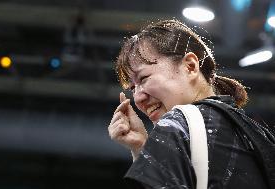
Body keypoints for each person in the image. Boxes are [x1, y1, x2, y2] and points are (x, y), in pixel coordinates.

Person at [108, 19, 273, 189]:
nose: (138, 97)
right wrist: (144, 150)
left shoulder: (178, 123)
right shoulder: (258, 134)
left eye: (143, 78)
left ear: (190, 66)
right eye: (133, 88)